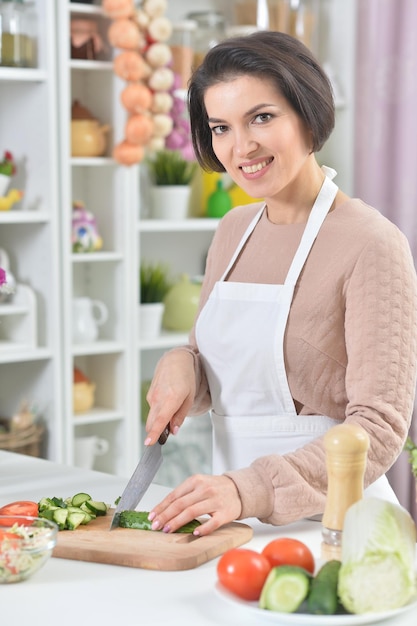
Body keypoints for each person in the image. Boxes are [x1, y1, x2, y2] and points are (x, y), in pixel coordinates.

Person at [143, 31, 417, 536]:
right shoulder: (232, 232)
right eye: (220, 127)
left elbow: (380, 429)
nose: (241, 147)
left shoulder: (372, 243)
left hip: (339, 527)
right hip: (233, 521)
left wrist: (252, 488)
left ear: (308, 114)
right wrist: (183, 364)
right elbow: (231, 372)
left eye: (262, 118)